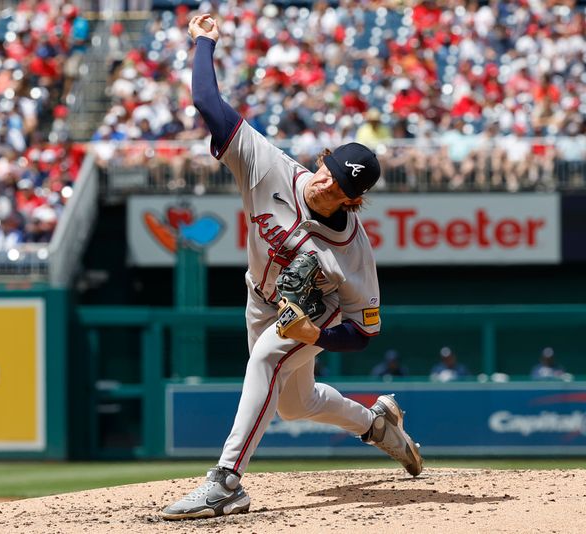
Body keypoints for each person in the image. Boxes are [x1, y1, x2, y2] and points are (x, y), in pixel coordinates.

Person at [161, 14, 423, 521]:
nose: (324, 185)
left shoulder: (352, 250)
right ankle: (377, 423)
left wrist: (315, 334)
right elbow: (207, 104)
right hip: (258, 298)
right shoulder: (269, 166)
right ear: (321, 161)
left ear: (354, 200)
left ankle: (226, 483)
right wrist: (204, 43)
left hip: (313, 311)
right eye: (326, 172)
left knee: (264, 360)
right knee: (293, 405)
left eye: (338, 187)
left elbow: (364, 331)